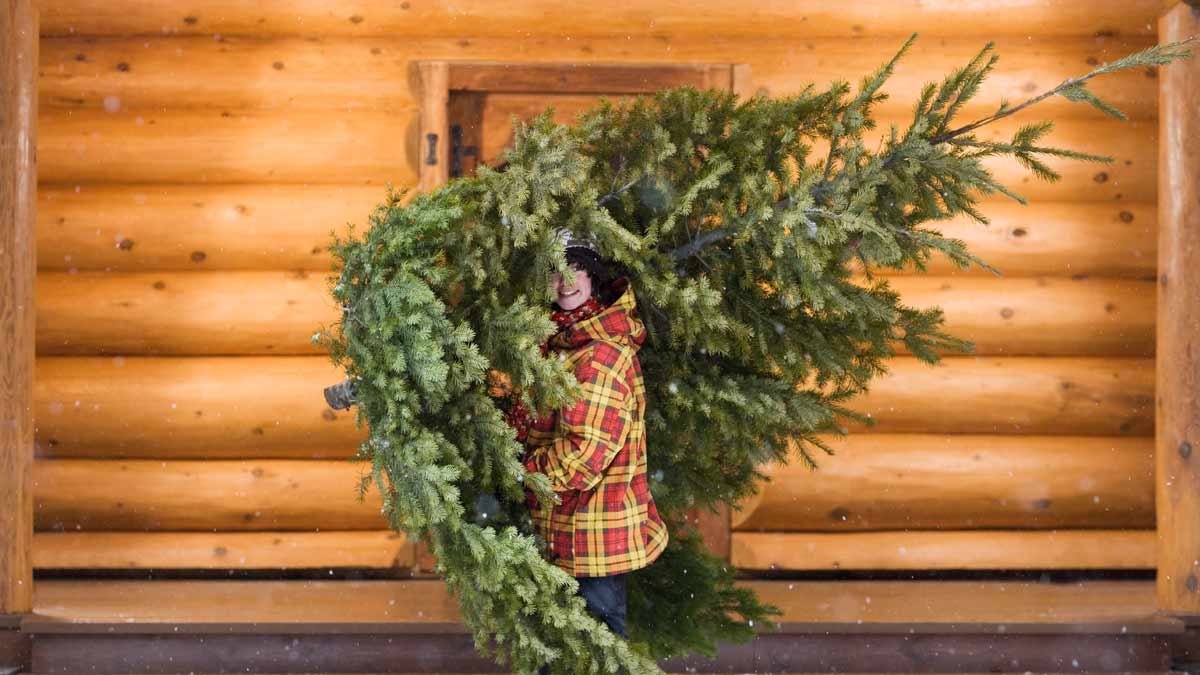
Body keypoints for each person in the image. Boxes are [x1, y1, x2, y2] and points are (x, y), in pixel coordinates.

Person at [490, 229, 668, 666]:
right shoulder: (562, 340)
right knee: (561, 649)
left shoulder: (602, 353)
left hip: (595, 539)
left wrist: (524, 476)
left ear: (592, 275)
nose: (565, 282)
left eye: (576, 270)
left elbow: (584, 454)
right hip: (566, 529)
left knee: (596, 650)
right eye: (554, 273)